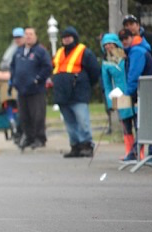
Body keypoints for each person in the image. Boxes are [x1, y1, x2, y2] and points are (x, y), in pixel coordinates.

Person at [51, 27, 100, 158]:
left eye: (69, 37)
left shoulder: (84, 51)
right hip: (62, 94)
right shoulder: (59, 52)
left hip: (78, 93)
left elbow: (94, 71)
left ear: (74, 38)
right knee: (69, 123)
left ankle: (86, 145)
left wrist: (85, 85)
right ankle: (75, 146)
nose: (66, 39)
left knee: (82, 120)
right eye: (64, 37)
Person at [119, 29, 152, 160]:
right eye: (122, 39)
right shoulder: (137, 50)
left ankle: (149, 153)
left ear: (132, 37)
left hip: (147, 91)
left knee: (145, 122)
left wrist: (127, 93)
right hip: (147, 90)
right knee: (146, 122)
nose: (124, 41)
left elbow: (134, 75)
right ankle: (140, 152)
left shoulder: (136, 51)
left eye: (126, 38)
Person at [10, 27, 52, 149]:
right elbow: (13, 66)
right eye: (26, 34)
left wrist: (37, 79)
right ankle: (29, 137)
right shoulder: (19, 51)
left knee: (37, 115)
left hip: (36, 90)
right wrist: (14, 80)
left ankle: (40, 138)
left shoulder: (40, 51)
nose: (28, 36)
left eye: (31, 34)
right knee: (24, 116)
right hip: (21, 90)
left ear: (35, 36)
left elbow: (47, 67)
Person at [100, 33, 135, 161]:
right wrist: (110, 102)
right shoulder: (105, 63)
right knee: (126, 124)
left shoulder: (126, 56)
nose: (108, 46)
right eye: (105, 44)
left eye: (110, 43)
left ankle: (139, 152)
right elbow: (107, 85)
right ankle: (129, 152)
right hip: (119, 94)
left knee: (138, 123)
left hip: (133, 92)